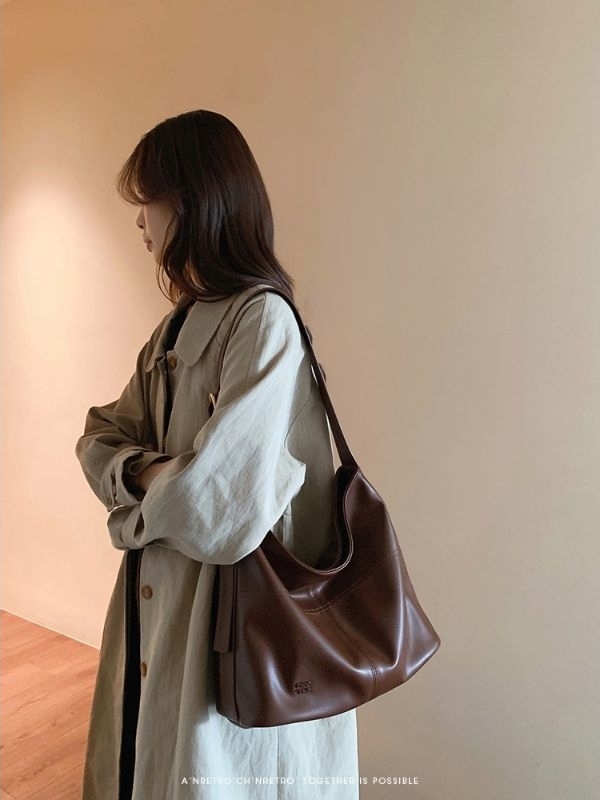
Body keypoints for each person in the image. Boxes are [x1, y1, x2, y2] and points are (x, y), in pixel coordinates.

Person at [75, 110, 360, 800]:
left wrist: (135, 496)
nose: (140, 221)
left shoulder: (263, 321)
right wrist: (155, 472)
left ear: (193, 202)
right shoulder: (174, 327)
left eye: (149, 199)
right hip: (169, 614)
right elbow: (98, 436)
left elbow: (215, 512)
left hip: (233, 629)